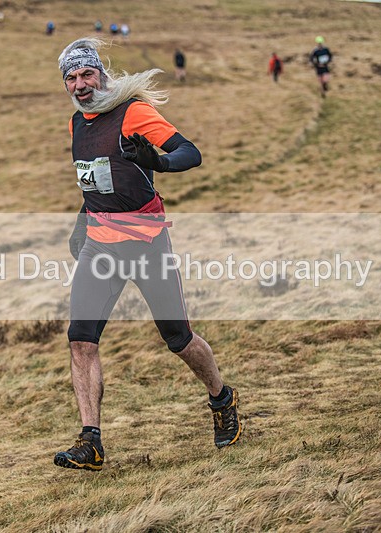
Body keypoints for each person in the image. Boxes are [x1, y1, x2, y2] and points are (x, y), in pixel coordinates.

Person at [54, 37, 242, 471]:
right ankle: (91, 442)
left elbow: (190, 153)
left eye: (87, 74)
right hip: (101, 247)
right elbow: (96, 181)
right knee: (81, 341)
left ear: (100, 74)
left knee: (179, 340)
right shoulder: (76, 125)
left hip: (146, 245)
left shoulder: (132, 113)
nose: (81, 84)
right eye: (71, 77)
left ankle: (221, 398)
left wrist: (158, 162)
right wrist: (82, 222)